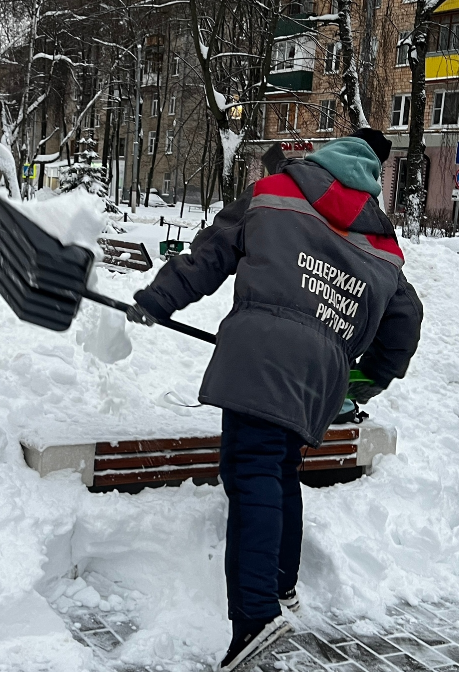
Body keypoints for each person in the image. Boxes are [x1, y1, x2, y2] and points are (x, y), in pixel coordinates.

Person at [127, 128, 423, 672]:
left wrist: (157, 300)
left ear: (326, 154)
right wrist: (367, 377)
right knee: (280, 467)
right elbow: (405, 323)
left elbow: (209, 255)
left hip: (258, 356)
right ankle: (282, 589)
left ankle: (255, 616)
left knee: (253, 470)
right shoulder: (381, 245)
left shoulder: (275, 190)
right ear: (373, 177)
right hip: (320, 375)